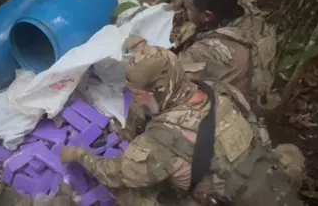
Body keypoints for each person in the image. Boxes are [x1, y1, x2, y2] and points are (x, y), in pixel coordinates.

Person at [59, 36, 304, 206]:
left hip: (224, 197)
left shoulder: (161, 141)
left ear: (158, 90)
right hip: (261, 174)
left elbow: (113, 174)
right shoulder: (221, 91)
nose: (134, 98)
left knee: (128, 194)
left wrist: (78, 155)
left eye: (137, 93)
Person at [158, 0, 277, 115]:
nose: (186, 10)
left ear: (207, 16)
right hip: (253, 88)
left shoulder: (209, 52)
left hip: (231, 115)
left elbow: (163, 76)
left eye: (189, 8)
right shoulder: (248, 14)